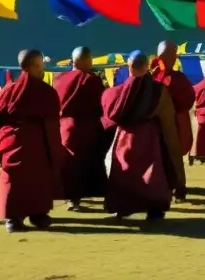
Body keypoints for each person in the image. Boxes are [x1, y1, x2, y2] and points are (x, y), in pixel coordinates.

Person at [101, 51, 186, 220]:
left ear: (129, 66)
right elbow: (167, 119)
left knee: (124, 171)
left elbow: (109, 114)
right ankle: (155, 209)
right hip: (150, 139)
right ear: (147, 67)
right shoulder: (159, 91)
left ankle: (123, 206)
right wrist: (172, 149)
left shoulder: (116, 93)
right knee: (152, 174)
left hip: (125, 138)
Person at [0, 49, 63, 233]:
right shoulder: (46, 92)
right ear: (29, 67)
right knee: (28, 178)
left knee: (30, 178)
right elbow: (53, 118)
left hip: (17, 140)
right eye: (39, 66)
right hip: (31, 139)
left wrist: (2, 139)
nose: (42, 70)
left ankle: (36, 214)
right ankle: (15, 218)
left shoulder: (8, 91)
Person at [52, 46, 106, 212]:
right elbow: (101, 105)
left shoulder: (59, 79)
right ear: (83, 61)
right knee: (86, 164)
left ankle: (71, 199)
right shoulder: (91, 80)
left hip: (63, 128)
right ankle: (81, 196)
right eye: (90, 59)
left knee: (69, 165)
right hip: (85, 127)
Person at [152, 41, 195, 174]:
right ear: (160, 57)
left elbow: (188, 99)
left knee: (172, 155)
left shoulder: (179, 78)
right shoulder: (152, 76)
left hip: (174, 124)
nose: (172, 58)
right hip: (155, 124)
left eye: (173, 55)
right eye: (167, 55)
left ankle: (175, 183)